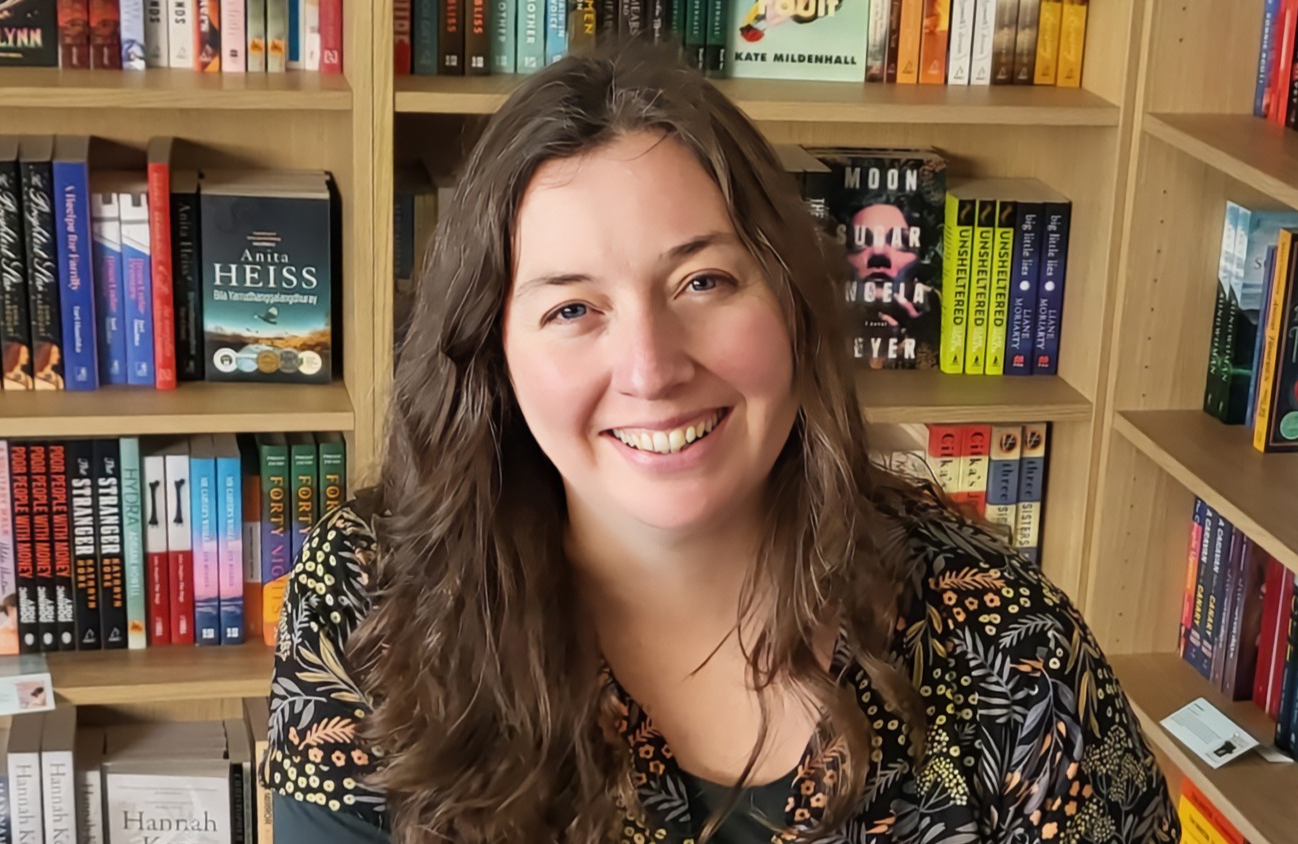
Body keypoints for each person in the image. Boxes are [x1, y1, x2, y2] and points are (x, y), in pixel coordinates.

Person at [262, 45, 1178, 844]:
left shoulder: (1010, 643)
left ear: (793, 305)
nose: (651, 368)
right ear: (492, 356)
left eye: (703, 281)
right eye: (573, 309)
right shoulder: (372, 605)